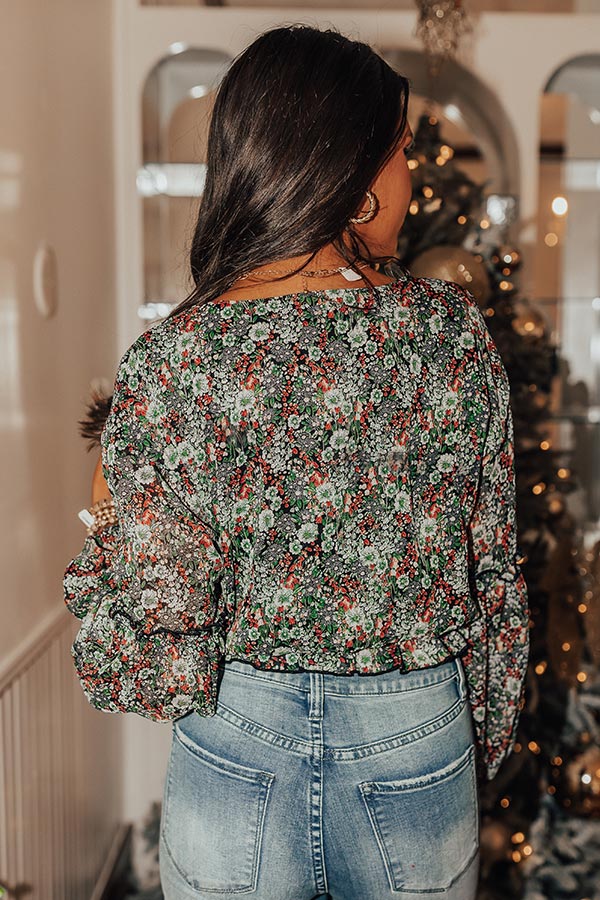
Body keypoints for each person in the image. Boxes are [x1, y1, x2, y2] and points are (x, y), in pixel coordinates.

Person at [63, 24, 530, 900]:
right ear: (351, 178)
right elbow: (492, 574)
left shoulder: (176, 359)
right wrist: (484, 732)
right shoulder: (448, 335)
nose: (412, 177)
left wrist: (109, 537)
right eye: (399, 151)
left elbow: (152, 659)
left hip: (235, 742)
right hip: (415, 739)